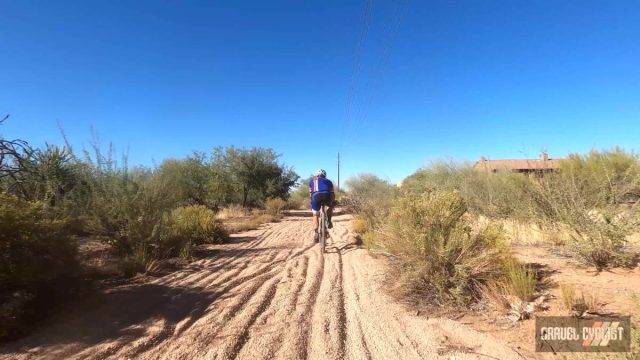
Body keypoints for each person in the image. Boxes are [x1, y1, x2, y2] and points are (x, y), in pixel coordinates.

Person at [309, 169, 335, 242]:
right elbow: (332, 193)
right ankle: (329, 221)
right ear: (325, 175)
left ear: (317, 175)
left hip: (316, 196)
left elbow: (310, 194)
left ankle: (316, 233)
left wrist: (311, 203)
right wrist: (332, 203)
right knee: (330, 207)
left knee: (315, 215)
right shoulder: (329, 181)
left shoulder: (312, 181)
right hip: (327, 195)